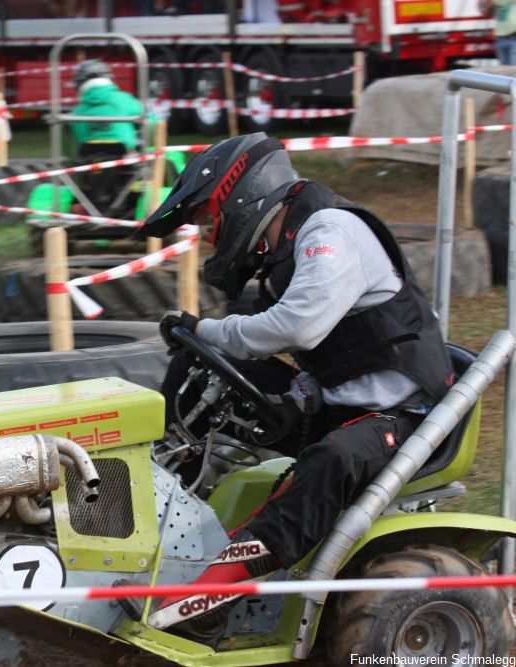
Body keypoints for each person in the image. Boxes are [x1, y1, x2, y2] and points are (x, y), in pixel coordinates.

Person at [117, 133, 453, 642]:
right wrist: (212, 347)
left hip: (405, 419)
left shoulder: (329, 230)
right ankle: (145, 520)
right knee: (194, 370)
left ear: (240, 194)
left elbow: (300, 327)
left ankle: (209, 596)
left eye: (210, 220)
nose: (211, 237)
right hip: (336, 403)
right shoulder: (284, 249)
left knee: (331, 459)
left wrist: (208, 329)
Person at [69, 59, 146, 152]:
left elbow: (78, 134)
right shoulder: (124, 99)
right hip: (123, 152)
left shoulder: (79, 109)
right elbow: (148, 118)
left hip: (88, 154)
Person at [481, 0, 516, 64]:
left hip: (514, 37)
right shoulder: (495, 1)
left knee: (513, 68)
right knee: (504, 69)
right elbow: (489, 12)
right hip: (500, 37)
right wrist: (486, 4)